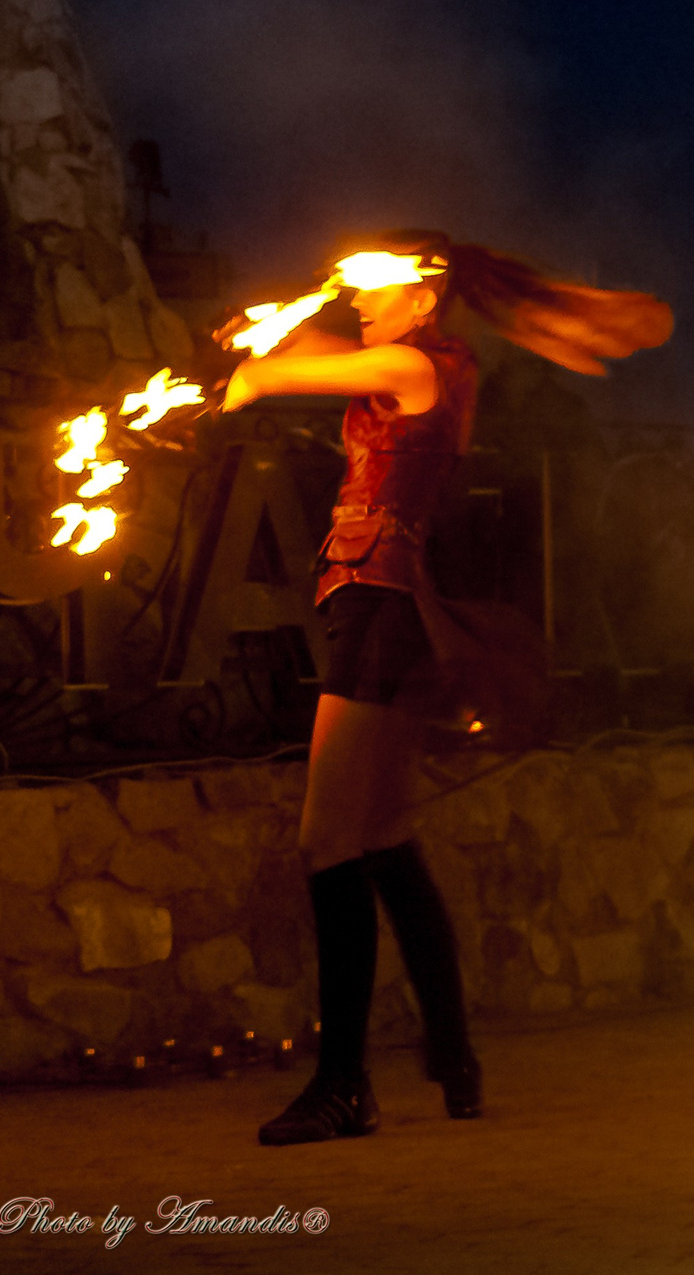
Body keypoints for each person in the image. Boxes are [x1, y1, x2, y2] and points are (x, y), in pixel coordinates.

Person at [227, 235, 671, 1145]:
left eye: (375, 285)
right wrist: (269, 336)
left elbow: (281, 378)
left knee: (327, 840)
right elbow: (306, 355)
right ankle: (455, 1055)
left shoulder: (416, 361)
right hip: (383, 599)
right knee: (384, 835)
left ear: (422, 300)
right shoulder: (424, 361)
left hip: (379, 603)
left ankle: (343, 1083)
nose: (358, 296)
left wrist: (256, 366)